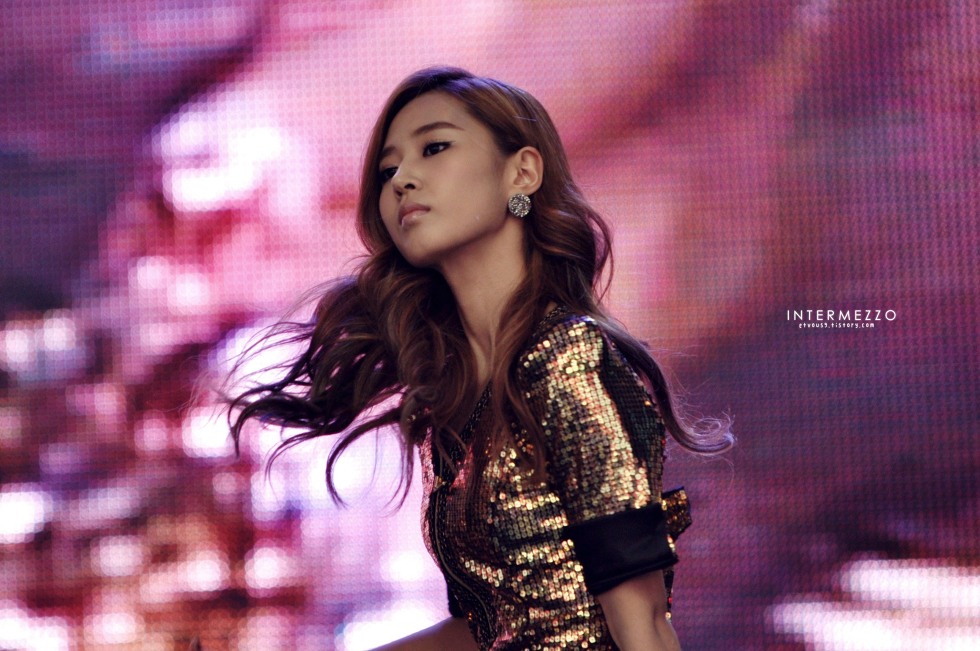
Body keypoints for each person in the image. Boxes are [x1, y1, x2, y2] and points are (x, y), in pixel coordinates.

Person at [228, 66, 733, 651]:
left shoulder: (567, 363)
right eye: (388, 170)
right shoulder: (456, 393)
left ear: (522, 173)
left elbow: (639, 622)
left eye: (434, 148)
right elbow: (499, 627)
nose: (402, 180)